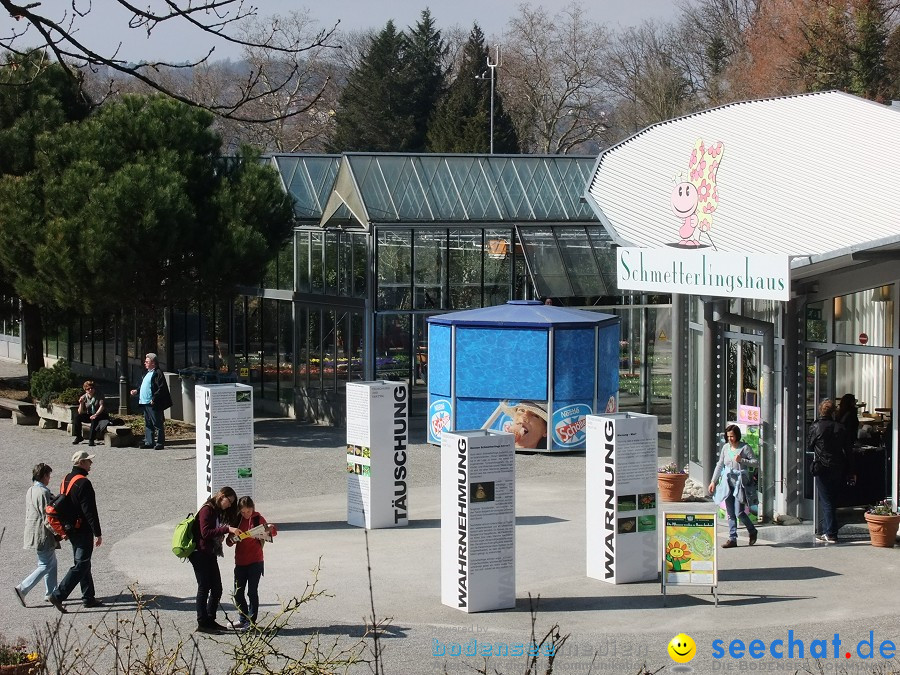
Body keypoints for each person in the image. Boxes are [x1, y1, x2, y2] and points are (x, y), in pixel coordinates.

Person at [47, 451, 103, 612]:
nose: (90, 464)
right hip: (82, 529)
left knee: (83, 563)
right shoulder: (84, 483)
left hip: (70, 528)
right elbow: (90, 511)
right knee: (82, 564)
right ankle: (58, 595)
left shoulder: (66, 478)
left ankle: (88, 597)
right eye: (88, 461)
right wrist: (97, 533)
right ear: (81, 462)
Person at [190, 486, 241, 634]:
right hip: (199, 553)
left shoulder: (216, 510)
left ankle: (210, 620)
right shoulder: (207, 509)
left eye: (231, 503)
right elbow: (205, 533)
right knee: (204, 587)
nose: (229, 505)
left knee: (217, 588)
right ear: (221, 496)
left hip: (210, 553)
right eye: (229, 501)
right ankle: (202, 622)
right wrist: (227, 529)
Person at [226, 496, 277, 630]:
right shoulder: (238, 519)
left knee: (252, 592)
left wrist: (270, 528)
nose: (246, 514)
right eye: (243, 512)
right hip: (240, 561)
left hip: (256, 560)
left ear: (252, 509)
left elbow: (272, 532)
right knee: (238, 592)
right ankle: (243, 619)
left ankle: (251, 622)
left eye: (248, 511)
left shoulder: (257, 518)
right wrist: (233, 539)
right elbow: (228, 542)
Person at [15, 463, 60, 608]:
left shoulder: (31, 490)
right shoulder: (43, 492)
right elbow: (48, 517)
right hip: (43, 534)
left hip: (34, 532)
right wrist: (58, 532)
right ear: (44, 475)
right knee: (45, 564)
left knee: (51, 563)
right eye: (49, 476)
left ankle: (51, 592)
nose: (49, 479)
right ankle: (22, 589)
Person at [807, 399, 851, 544]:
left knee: (827, 501)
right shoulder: (840, 427)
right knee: (832, 500)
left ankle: (830, 533)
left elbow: (810, 446)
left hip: (822, 467)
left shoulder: (816, 427)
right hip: (838, 466)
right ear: (833, 412)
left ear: (820, 411)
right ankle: (830, 530)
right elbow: (848, 449)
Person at [708, 424, 759, 548]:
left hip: (739, 483)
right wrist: (713, 481)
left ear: (737, 436)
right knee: (730, 512)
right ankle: (732, 538)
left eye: (732, 436)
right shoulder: (725, 448)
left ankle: (752, 531)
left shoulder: (745, 448)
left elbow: (756, 463)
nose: (730, 438)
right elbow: (720, 465)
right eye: (728, 436)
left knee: (739, 512)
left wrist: (742, 460)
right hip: (727, 482)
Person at [129, 352, 172, 450]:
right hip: (145, 402)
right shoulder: (148, 373)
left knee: (157, 423)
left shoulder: (157, 373)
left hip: (152, 403)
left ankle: (160, 443)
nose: (145, 363)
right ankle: (149, 442)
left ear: (153, 363)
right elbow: (144, 386)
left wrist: (154, 398)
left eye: (147, 361)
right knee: (148, 423)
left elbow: (161, 388)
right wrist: (137, 391)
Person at [72, 380, 109, 447]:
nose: (90, 390)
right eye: (88, 389)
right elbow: (80, 412)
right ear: (85, 390)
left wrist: (96, 414)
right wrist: (81, 403)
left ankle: (91, 439)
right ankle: (79, 437)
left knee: (94, 419)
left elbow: (102, 406)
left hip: (101, 414)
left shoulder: (99, 395)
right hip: (90, 414)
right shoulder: (84, 397)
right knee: (77, 417)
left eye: (92, 388)